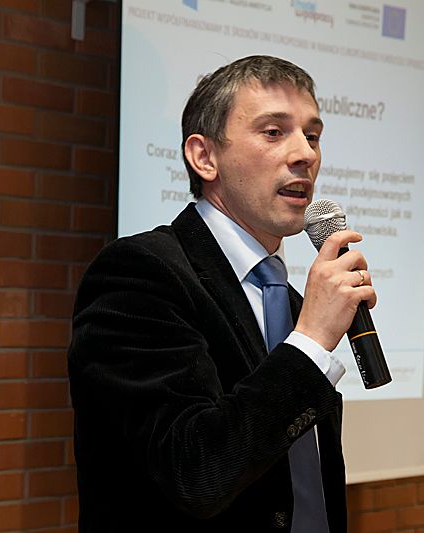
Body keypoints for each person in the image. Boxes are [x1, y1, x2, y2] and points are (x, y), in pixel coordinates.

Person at [68, 55, 376, 532]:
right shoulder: (140, 274)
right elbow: (196, 474)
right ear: (204, 158)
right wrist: (312, 341)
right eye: (274, 132)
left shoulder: (291, 303)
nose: (306, 154)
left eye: (312, 136)